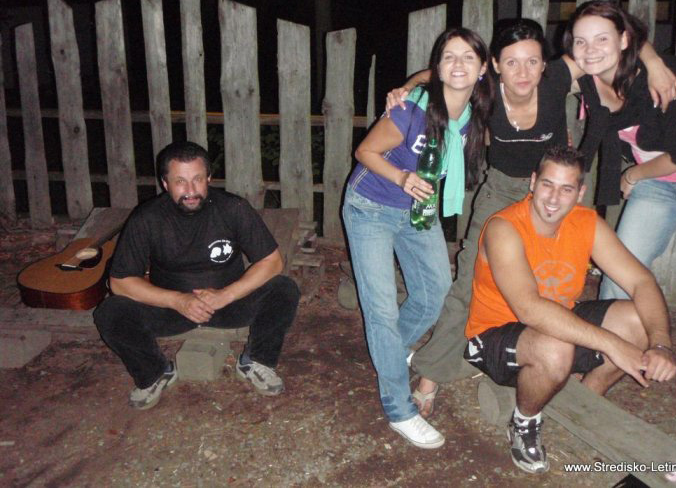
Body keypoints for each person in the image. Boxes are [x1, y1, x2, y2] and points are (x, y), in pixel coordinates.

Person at [386, 19, 676, 418]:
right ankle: (432, 374)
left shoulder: (557, 78)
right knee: (469, 279)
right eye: (511, 62)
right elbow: (438, 74)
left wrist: (655, 62)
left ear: (545, 64)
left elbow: (613, 44)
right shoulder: (485, 88)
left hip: (553, 191)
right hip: (501, 189)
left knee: (546, 278)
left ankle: (543, 361)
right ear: (494, 65)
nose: (522, 72)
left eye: (531, 62)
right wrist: (406, 88)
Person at [463, 145, 676, 473]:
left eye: (566, 189)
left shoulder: (587, 223)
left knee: (637, 321)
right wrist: (612, 345)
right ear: (533, 182)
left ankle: (585, 400)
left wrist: (661, 343)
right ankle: (524, 421)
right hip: (494, 335)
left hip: (556, 324)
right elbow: (530, 309)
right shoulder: (503, 228)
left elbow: (641, 282)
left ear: (580, 193)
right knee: (556, 347)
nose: (553, 198)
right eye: (547, 184)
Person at [564, 0, 676, 427]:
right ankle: (602, 361)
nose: (590, 49)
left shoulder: (664, 78)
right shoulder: (590, 83)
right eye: (581, 41)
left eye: (602, 39)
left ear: (624, 40)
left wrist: (632, 175)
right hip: (656, 186)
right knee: (617, 271)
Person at [342, 27, 493, 449]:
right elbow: (364, 152)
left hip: (418, 212)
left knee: (435, 294)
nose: (458, 65)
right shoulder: (412, 110)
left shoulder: (475, 114)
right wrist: (402, 177)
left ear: (483, 68)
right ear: (438, 66)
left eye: (468, 57)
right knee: (381, 309)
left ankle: (389, 350)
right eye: (449, 57)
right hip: (370, 207)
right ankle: (399, 409)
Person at [94, 141, 300, 409]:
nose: (190, 191)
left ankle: (257, 361)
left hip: (229, 303)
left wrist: (225, 295)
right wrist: (179, 301)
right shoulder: (146, 218)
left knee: (284, 289)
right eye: (180, 181)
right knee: (110, 312)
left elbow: (272, 262)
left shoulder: (233, 208)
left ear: (209, 179)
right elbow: (120, 282)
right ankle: (155, 373)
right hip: (171, 309)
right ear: (165, 183)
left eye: (197, 179)